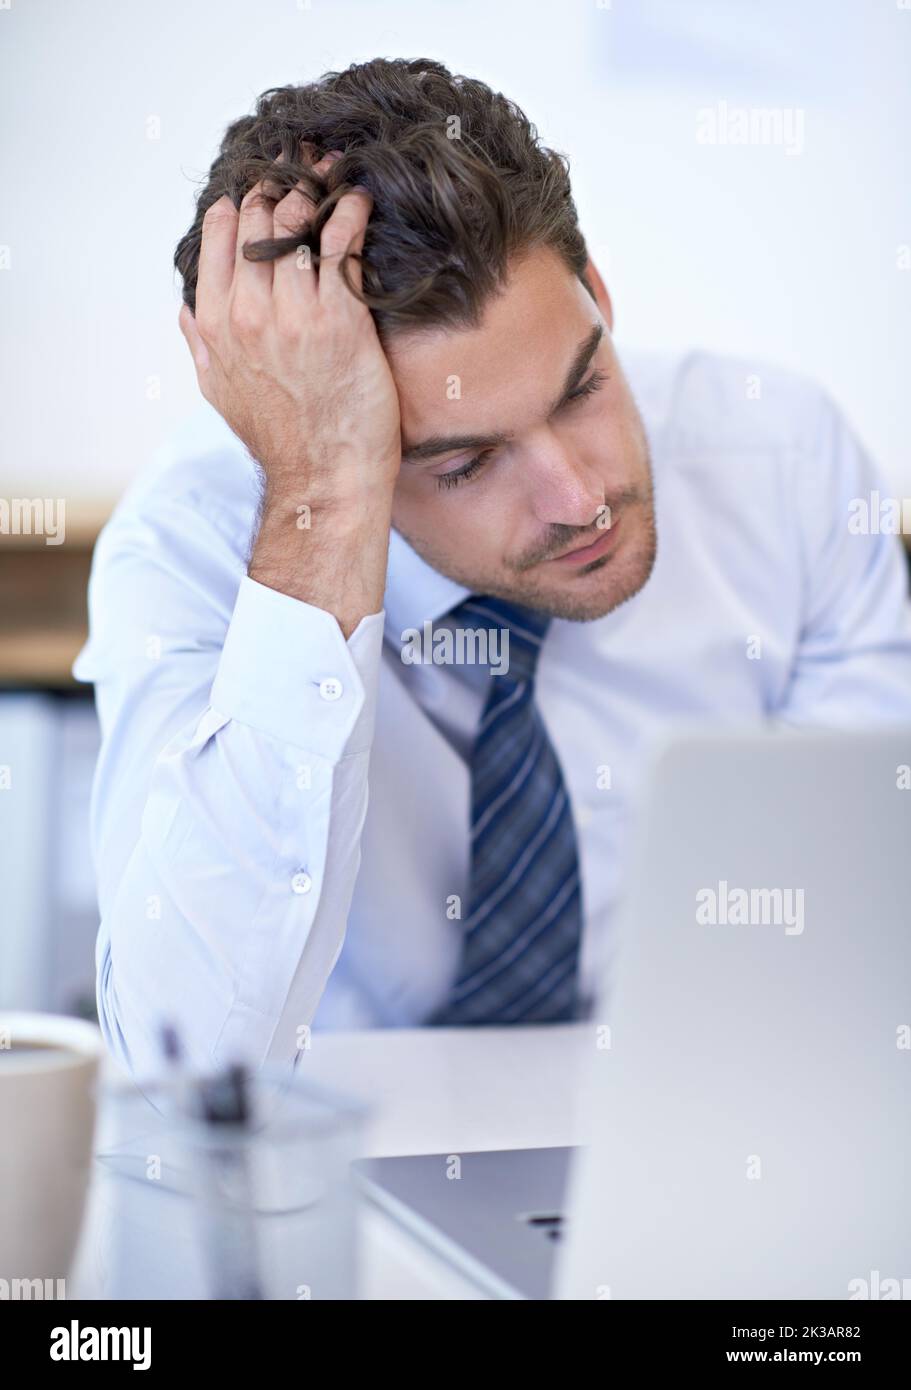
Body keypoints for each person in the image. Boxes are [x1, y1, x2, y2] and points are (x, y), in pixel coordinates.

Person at [75, 58, 911, 1079]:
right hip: (338, 1174)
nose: (577, 497)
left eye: (582, 386)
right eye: (464, 463)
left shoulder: (780, 461)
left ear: (596, 294)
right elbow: (187, 1060)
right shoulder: (194, 548)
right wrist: (325, 494)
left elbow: (870, 924)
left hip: (695, 1116)